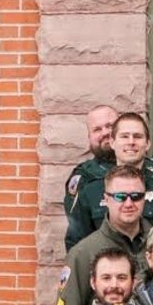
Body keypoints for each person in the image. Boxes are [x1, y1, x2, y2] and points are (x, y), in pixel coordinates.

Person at [64, 112, 153, 253]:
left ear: (147, 144)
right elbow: (77, 245)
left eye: (137, 136)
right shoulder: (91, 191)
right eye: (124, 136)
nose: (131, 142)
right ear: (112, 142)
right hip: (105, 272)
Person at [54, 163, 153, 305]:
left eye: (136, 196)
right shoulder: (84, 253)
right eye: (120, 196)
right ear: (106, 199)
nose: (129, 203)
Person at [63, 105, 117, 250]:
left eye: (110, 126)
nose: (105, 132)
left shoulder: (151, 170)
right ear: (89, 137)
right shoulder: (84, 178)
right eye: (97, 129)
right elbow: (78, 238)